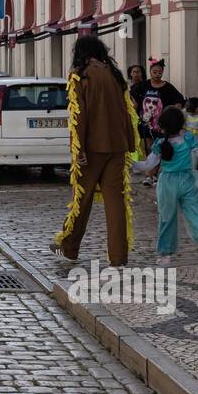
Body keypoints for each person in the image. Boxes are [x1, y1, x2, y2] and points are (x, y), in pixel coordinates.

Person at [50, 35, 139, 267]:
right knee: (116, 202)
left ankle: (69, 247)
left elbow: (79, 116)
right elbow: (127, 111)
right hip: (117, 146)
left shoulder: (80, 76)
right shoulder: (115, 75)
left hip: (90, 147)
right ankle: (118, 257)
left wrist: (78, 148)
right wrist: (130, 143)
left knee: (82, 197)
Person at [131, 106, 198, 266]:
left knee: (167, 218)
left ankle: (165, 255)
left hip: (167, 183)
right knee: (196, 212)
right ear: (181, 125)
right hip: (186, 179)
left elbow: (147, 165)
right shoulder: (188, 138)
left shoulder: (160, 144)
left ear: (162, 127)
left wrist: (131, 163)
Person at [137, 58, 185, 186]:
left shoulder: (168, 87)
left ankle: (151, 175)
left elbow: (179, 100)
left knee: (157, 149)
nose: (157, 74)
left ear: (162, 72)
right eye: (154, 72)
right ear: (150, 72)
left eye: (159, 72)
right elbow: (132, 97)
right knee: (148, 147)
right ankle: (150, 174)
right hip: (145, 124)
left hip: (161, 125)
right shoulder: (143, 85)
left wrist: (172, 114)